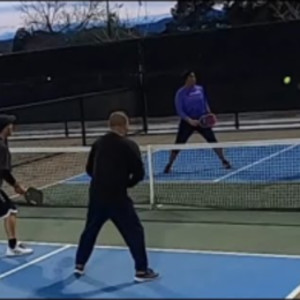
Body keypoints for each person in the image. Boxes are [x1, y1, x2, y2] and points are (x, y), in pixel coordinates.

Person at [75, 111, 159, 282]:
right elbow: (139, 173)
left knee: (90, 231)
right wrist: (125, 184)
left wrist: (102, 181)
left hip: (97, 196)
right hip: (118, 198)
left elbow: (89, 169)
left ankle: (79, 264)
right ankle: (141, 271)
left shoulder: (98, 143)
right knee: (134, 232)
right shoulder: (129, 145)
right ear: (124, 125)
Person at [164, 70, 231, 173]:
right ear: (186, 79)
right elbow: (180, 110)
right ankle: (169, 165)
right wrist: (189, 121)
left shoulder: (200, 89)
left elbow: (204, 102)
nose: (194, 79)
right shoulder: (180, 93)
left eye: (194, 77)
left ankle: (224, 160)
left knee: (213, 140)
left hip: (202, 121)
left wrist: (209, 114)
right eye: (191, 77)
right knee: (179, 143)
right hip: (187, 122)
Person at [0, 114, 33, 256]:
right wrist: (16, 186)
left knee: (9, 211)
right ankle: (13, 247)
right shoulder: (1, 147)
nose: (12, 127)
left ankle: (13, 245)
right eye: (10, 125)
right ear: (5, 127)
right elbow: (4, 171)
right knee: (11, 210)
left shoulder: (2, 143)